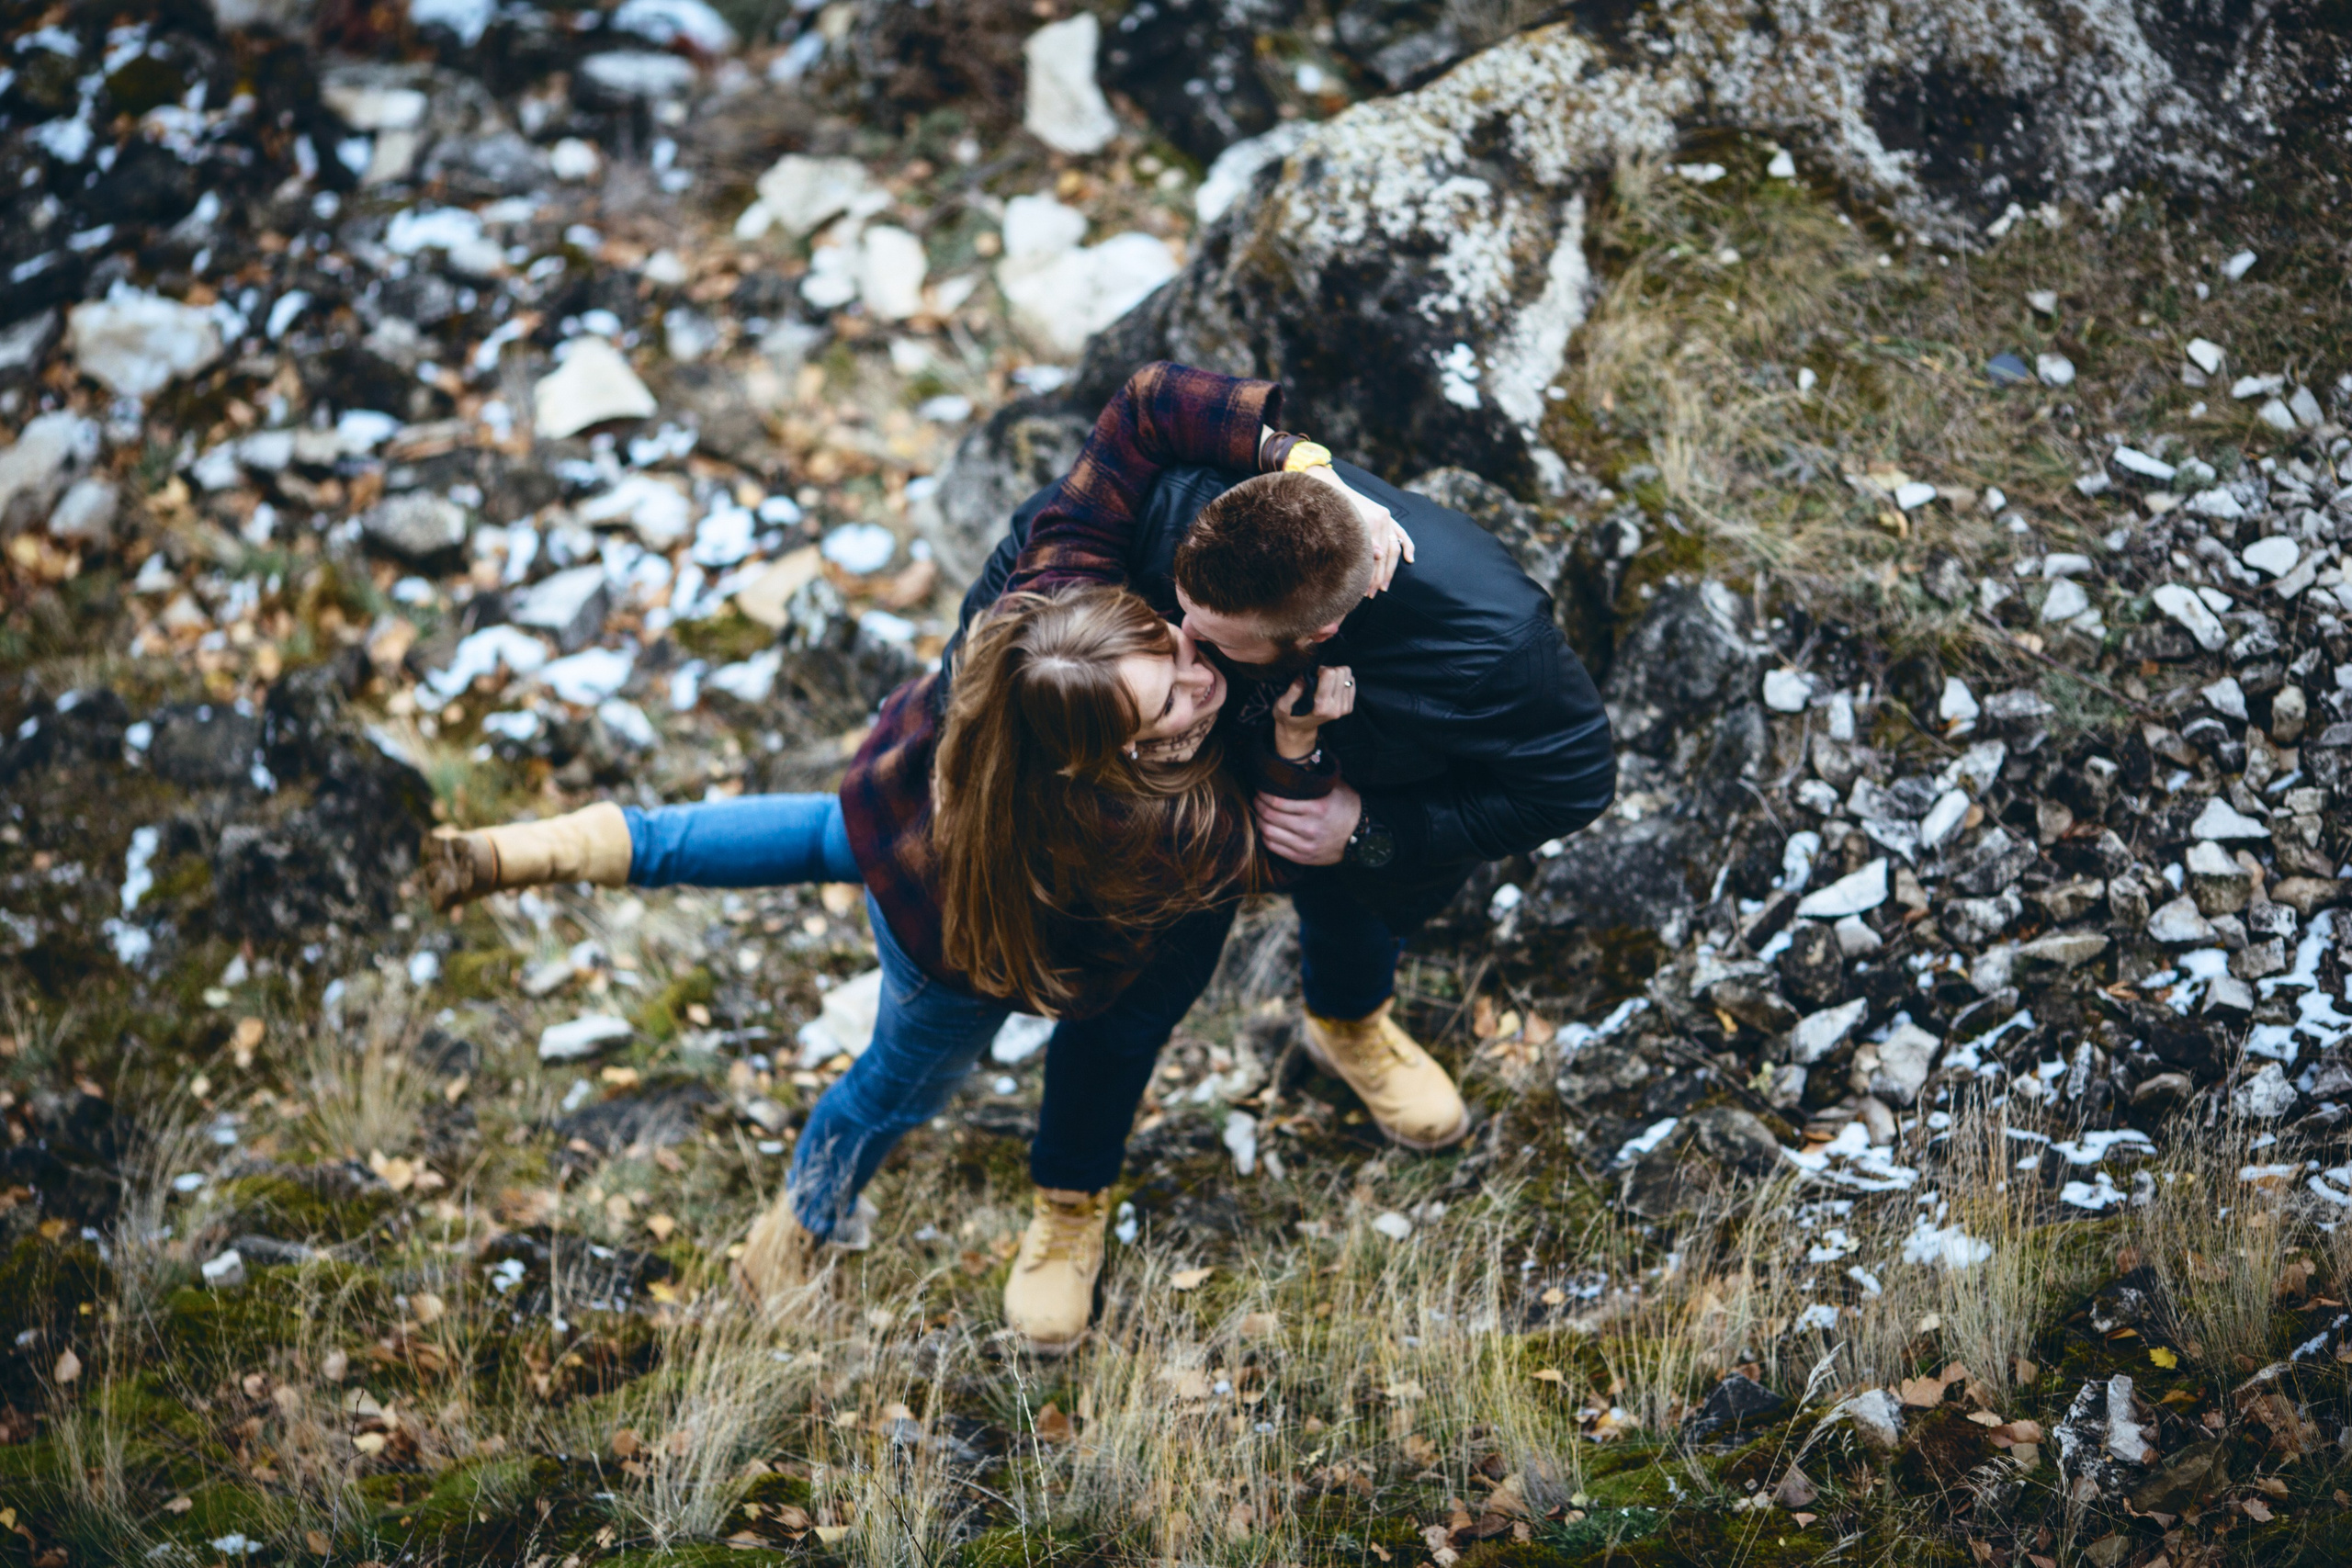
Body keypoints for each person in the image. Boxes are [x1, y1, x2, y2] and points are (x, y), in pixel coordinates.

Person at [426, 363, 1408, 1350]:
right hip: (959, 944)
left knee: (817, 832)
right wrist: (1293, 748)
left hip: (896, 813)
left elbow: (1144, 408)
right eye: (1172, 694)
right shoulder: (1133, 831)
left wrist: (1308, 470)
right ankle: (792, 1234)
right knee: (891, 1088)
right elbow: (1267, 858)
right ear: (1111, 758)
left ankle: (557, 845)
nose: (1202, 667)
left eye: (1176, 650)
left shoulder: (1050, 613)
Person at [956, 412, 1618, 1163]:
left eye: (1214, 642)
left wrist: (1373, 825)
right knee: (1137, 996)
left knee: (1362, 906)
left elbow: (1576, 778)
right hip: (1171, 791)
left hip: (1374, 789)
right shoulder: (1183, 509)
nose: (1191, 649)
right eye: (1177, 617)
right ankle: (1069, 1189)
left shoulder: (1493, 644)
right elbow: (1034, 555)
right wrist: (982, 734)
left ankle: (1349, 1025)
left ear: (1314, 637)